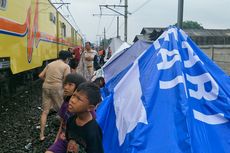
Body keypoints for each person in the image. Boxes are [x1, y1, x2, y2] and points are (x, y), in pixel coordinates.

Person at [45, 73, 86, 153]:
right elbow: (62, 123)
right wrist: (56, 141)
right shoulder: (66, 103)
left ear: (78, 87)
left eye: (70, 85)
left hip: (77, 144)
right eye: (65, 84)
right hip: (63, 140)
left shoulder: (84, 108)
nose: (65, 87)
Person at [38, 50, 72, 141]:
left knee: (45, 111)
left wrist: (49, 80)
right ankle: (65, 132)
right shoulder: (66, 66)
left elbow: (41, 75)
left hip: (46, 86)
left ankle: (41, 135)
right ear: (67, 58)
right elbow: (66, 80)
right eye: (69, 59)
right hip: (57, 88)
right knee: (63, 110)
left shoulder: (50, 64)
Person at [66, 82, 104, 153]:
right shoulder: (70, 120)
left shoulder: (93, 131)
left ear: (90, 107)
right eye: (73, 95)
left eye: (79, 99)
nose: (72, 100)